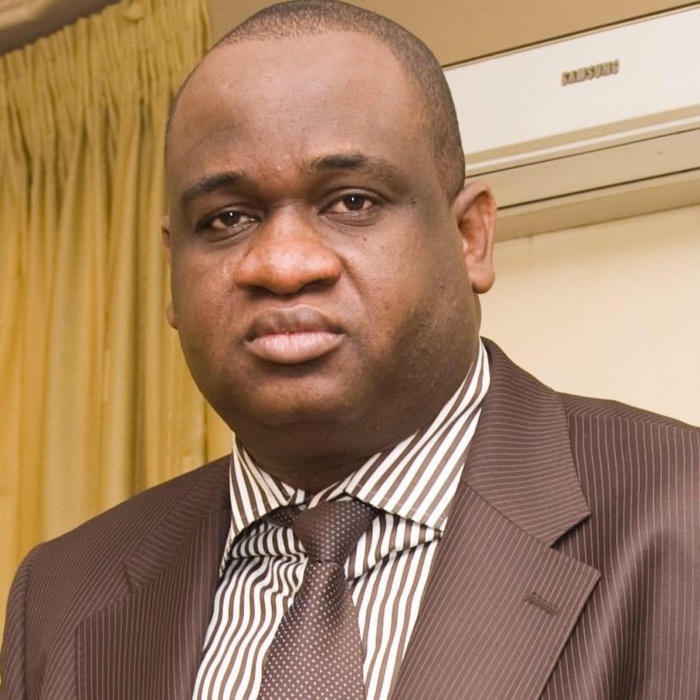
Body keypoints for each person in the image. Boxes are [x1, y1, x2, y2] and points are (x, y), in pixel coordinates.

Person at [2, 1, 698, 698]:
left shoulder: (680, 515)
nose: (282, 265)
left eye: (352, 202)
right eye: (227, 218)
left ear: (470, 238)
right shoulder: (61, 595)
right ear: (172, 271)